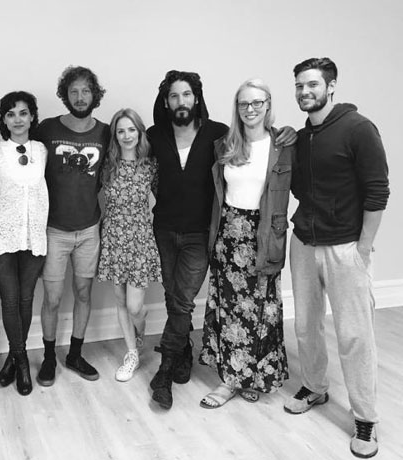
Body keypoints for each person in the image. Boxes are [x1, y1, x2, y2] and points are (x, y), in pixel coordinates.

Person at [147, 70, 296, 410]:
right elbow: (141, 168)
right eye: (174, 95)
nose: (181, 101)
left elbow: (276, 158)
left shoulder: (217, 134)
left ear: (196, 98)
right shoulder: (161, 136)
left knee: (189, 301)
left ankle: (166, 369)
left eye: (187, 94)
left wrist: (288, 132)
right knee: (181, 297)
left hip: (208, 232)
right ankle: (185, 352)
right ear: (166, 101)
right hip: (184, 231)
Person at [284, 57, 389, 459]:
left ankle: (366, 418)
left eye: (312, 84)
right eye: (299, 85)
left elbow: (378, 191)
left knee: (354, 335)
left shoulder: (358, 128)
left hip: (346, 247)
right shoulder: (300, 138)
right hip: (304, 243)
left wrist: (363, 247)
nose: (304, 91)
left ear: (331, 86)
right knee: (306, 325)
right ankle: (314, 387)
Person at [198, 79, 292, 408]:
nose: (250, 109)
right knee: (230, 309)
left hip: (263, 234)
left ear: (268, 105)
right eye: (243, 103)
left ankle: (252, 377)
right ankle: (229, 380)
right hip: (228, 234)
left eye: (256, 102)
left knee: (261, 309)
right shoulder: (225, 145)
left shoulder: (283, 145)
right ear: (237, 108)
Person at [35, 66, 111, 386]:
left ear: (95, 95)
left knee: (83, 292)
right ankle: (49, 357)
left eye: (85, 91)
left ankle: (75, 354)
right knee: (52, 299)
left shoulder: (106, 133)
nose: (80, 97)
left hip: (89, 229)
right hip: (54, 229)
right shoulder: (47, 129)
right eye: (73, 91)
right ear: (65, 95)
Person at [0, 91, 49, 396]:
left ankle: (13, 357)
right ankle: (22, 361)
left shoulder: (42, 150)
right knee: (10, 301)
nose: (18, 119)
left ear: (32, 117)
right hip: (4, 236)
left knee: (26, 299)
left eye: (23, 113)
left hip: (34, 235)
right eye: (11, 114)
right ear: (4, 120)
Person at [97, 108, 161, 382]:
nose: (126, 136)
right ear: (115, 135)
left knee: (135, 306)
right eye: (120, 131)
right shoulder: (107, 166)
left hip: (140, 239)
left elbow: (164, 200)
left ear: (139, 132)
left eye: (131, 129)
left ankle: (141, 330)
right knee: (121, 300)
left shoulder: (150, 166)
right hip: (113, 237)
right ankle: (132, 353)